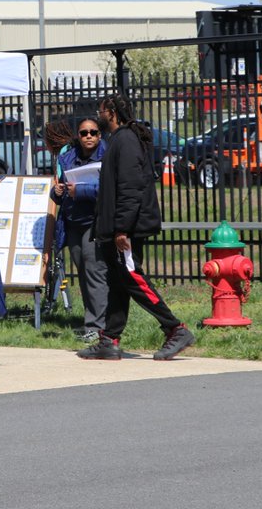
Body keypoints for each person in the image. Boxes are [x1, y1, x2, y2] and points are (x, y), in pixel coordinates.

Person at [78, 94, 195, 361]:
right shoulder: (117, 140)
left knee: (132, 278)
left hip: (125, 231)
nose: (99, 112)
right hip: (115, 229)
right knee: (119, 283)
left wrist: (122, 229)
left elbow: (131, 190)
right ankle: (109, 340)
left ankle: (175, 328)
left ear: (112, 112)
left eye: (102, 109)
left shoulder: (126, 140)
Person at [48, 116, 109, 343]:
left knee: (94, 270)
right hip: (73, 222)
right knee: (83, 271)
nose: (89, 136)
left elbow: (107, 189)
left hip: (95, 221)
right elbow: (58, 192)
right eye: (84, 133)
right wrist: (59, 192)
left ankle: (96, 326)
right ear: (78, 136)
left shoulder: (107, 155)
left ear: (99, 135)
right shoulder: (67, 158)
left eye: (93, 132)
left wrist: (80, 191)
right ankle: (93, 319)